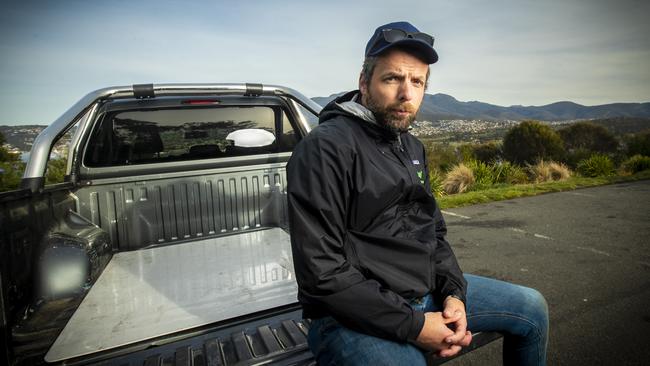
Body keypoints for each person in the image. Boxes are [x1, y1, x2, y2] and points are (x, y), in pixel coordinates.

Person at [287, 21, 549, 366]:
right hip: (349, 317)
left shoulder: (411, 146)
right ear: (364, 82)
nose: (406, 95)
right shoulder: (325, 148)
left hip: (424, 294)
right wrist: (415, 327)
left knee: (532, 308)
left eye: (417, 82)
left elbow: (433, 233)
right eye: (392, 78)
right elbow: (322, 272)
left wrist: (453, 294)